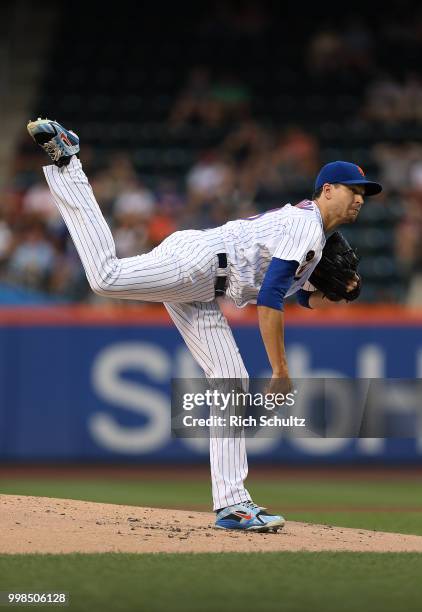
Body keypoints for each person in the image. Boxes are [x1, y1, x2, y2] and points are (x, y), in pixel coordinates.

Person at [27, 118, 382, 532]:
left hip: (203, 283)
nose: (360, 198)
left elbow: (296, 293)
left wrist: (334, 293)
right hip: (198, 264)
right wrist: (281, 369)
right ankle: (70, 165)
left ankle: (232, 505)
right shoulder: (306, 226)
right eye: (353, 190)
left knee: (230, 378)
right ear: (327, 190)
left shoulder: (313, 238)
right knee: (105, 277)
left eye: (364, 193)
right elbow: (269, 298)